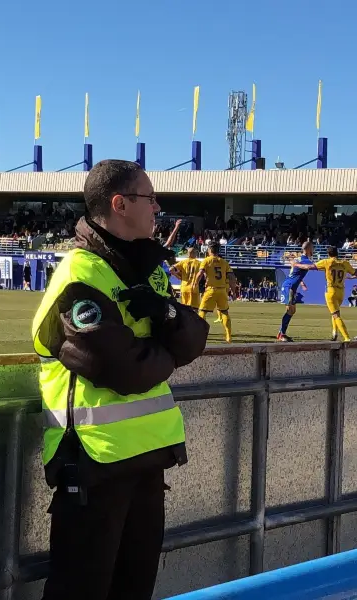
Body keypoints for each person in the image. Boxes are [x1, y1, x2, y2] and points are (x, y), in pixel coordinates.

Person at [31, 159, 209, 600]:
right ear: (120, 204)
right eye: (149, 198)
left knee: (134, 590)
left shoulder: (145, 269)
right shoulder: (80, 274)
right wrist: (169, 347)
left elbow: (195, 339)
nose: (157, 207)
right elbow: (122, 370)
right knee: (81, 591)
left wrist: (167, 313)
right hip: (93, 465)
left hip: (147, 462)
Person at [293, 246, 355, 342]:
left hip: (331, 291)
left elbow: (309, 267)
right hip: (341, 292)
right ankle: (334, 333)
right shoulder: (345, 263)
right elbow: (355, 273)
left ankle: (347, 338)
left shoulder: (327, 262)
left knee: (336, 315)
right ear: (337, 253)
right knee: (335, 313)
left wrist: (296, 265)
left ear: (328, 254)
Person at [197, 242, 236, 343]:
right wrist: (234, 291)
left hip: (211, 289)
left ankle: (201, 334)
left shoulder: (206, 261)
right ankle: (228, 336)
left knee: (202, 311)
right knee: (224, 312)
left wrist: (194, 284)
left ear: (209, 250)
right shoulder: (224, 262)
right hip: (222, 290)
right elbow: (232, 277)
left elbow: (200, 273)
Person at [277, 241, 313, 342]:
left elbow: (295, 273)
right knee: (290, 310)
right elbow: (312, 266)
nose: (313, 250)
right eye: (312, 247)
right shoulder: (305, 260)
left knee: (292, 310)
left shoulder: (298, 259)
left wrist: (301, 283)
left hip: (291, 286)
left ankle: (281, 333)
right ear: (309, 249)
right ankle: (282, 334)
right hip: (289, 286)